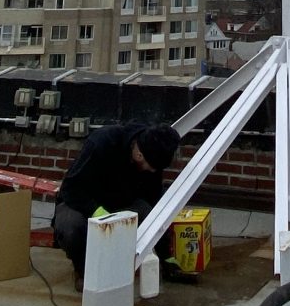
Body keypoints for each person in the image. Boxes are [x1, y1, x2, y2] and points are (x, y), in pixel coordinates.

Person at [50, 121, 195, 286]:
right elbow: (70, 189)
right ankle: (84, 271)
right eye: (150, 167)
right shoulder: (102, 142)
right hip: (82, 203)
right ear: (139, 155)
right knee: (71, 227)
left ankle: (165, 266)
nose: (152, 172)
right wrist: (97, 212)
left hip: (121, 204)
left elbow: (155, 205)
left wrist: (165, 255)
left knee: (147, 212)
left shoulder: (153, 152)